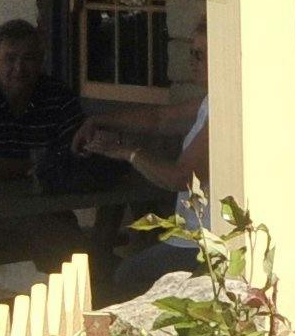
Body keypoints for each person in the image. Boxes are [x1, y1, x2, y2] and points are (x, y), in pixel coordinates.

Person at [72, 15, 212, 280]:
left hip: (202, 244)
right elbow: (160, 118)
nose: (192, 62)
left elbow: (182, 179)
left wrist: (129, 152)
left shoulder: (226, 109)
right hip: (188, 236)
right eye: (191, 53)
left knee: (126, 277)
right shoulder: (209, 101)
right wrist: (99, 120)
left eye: (200, 55)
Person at [0, 18, 86, 186]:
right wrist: (40, 167)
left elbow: (80, 155)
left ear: (41, 60)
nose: (19, 68)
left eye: (28, 58)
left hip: (35, 198)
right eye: (10, 59)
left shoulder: (58, 95)